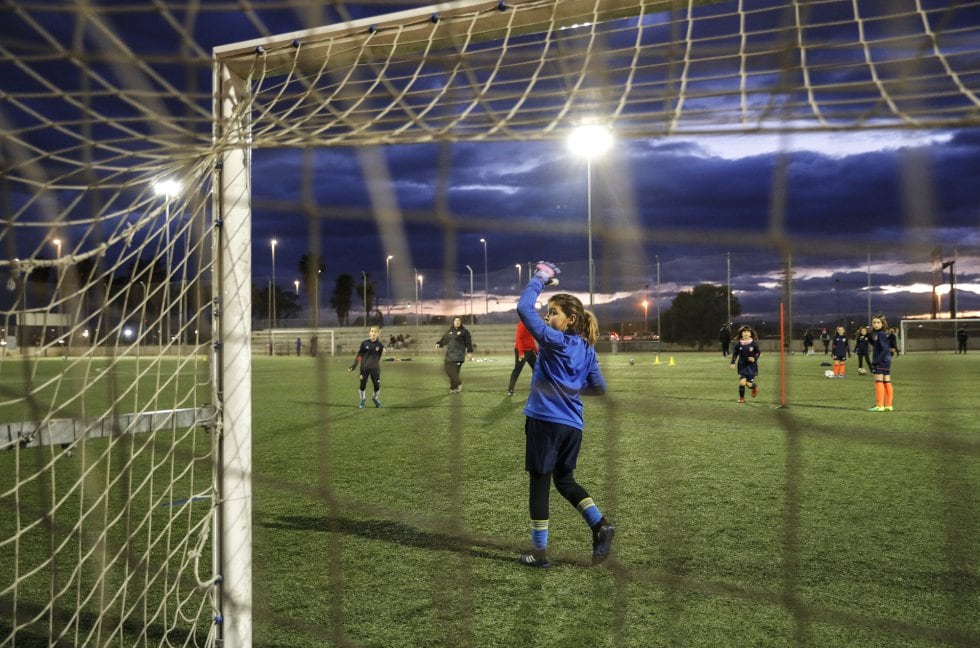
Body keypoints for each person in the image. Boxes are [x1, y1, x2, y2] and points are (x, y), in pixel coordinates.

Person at [516, 261, 613, 568]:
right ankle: (601, 526)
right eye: (548, 312)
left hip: (546, 422)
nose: (547, 316)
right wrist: (570, 388)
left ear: (571, 319)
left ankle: (540, 553)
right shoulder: (587, 349)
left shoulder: (554, 341)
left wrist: (540, 278)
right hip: (573, 426)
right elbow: (598, 388)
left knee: (540, 483)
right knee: (565, 481)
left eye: (553, 313)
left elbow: (522, 307)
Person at [348, 326, 385, 408]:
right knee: (362, 385)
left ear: (378, 334)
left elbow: (378, 356)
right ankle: (362, 400)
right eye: (372, 331)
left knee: (377, 385)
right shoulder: (364, 344)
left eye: (375, 332)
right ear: (369, 333)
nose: (373, 333)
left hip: (375, 369)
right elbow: (359, 356)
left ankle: (375, 398)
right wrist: (354, 365)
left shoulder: (380, 345)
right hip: (364, 368)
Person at [436, 316, 473, 393]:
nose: (457, 322)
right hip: (449, 355)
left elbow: (468, 342)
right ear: (453, 322)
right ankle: (459, 383)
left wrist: (469, 352)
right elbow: (444, 340)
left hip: (459, 355)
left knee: (454, 372)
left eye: (459, 320)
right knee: (447, 370)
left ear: (461, 322)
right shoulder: (450, 331)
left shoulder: (464, 331)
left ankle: (453, 387)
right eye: (455, 320)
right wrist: (439, 344)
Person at [868, 314, 894, 412]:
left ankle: (879, 405)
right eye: (874, 322)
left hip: (881, 360)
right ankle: (888, 405)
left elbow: (884, 349)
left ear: (882, 324)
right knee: (886, 381)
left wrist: (876, 361)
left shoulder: (881, 334)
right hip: (886, 361)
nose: (875, 324)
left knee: (878, 381)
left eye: (878, 322)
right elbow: (876, 345)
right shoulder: (878, 333)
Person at [729, 325, 761, 403]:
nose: (746, 333)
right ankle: (742, 398)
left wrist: (754, 358)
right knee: (742, 382)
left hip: (751, 367)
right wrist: (733, 363)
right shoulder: (739, 344)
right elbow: (735, 354)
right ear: (741, 334)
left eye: (748, 332)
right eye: (744, 332)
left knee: (749, 384)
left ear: (750, 334)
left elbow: (758, 353)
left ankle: (754, 387)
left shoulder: (753, 344)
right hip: (742, 366)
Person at [507, 320, 538, 396]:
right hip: (521, 351)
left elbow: (531, 340)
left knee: (537, 368)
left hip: (530, 351)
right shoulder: (522, 324)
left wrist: (536, 351)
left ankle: (535, 387)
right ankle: (510, 389)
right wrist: (521, 353)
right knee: (517, 370)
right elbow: (518, 339)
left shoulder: (531, 325)